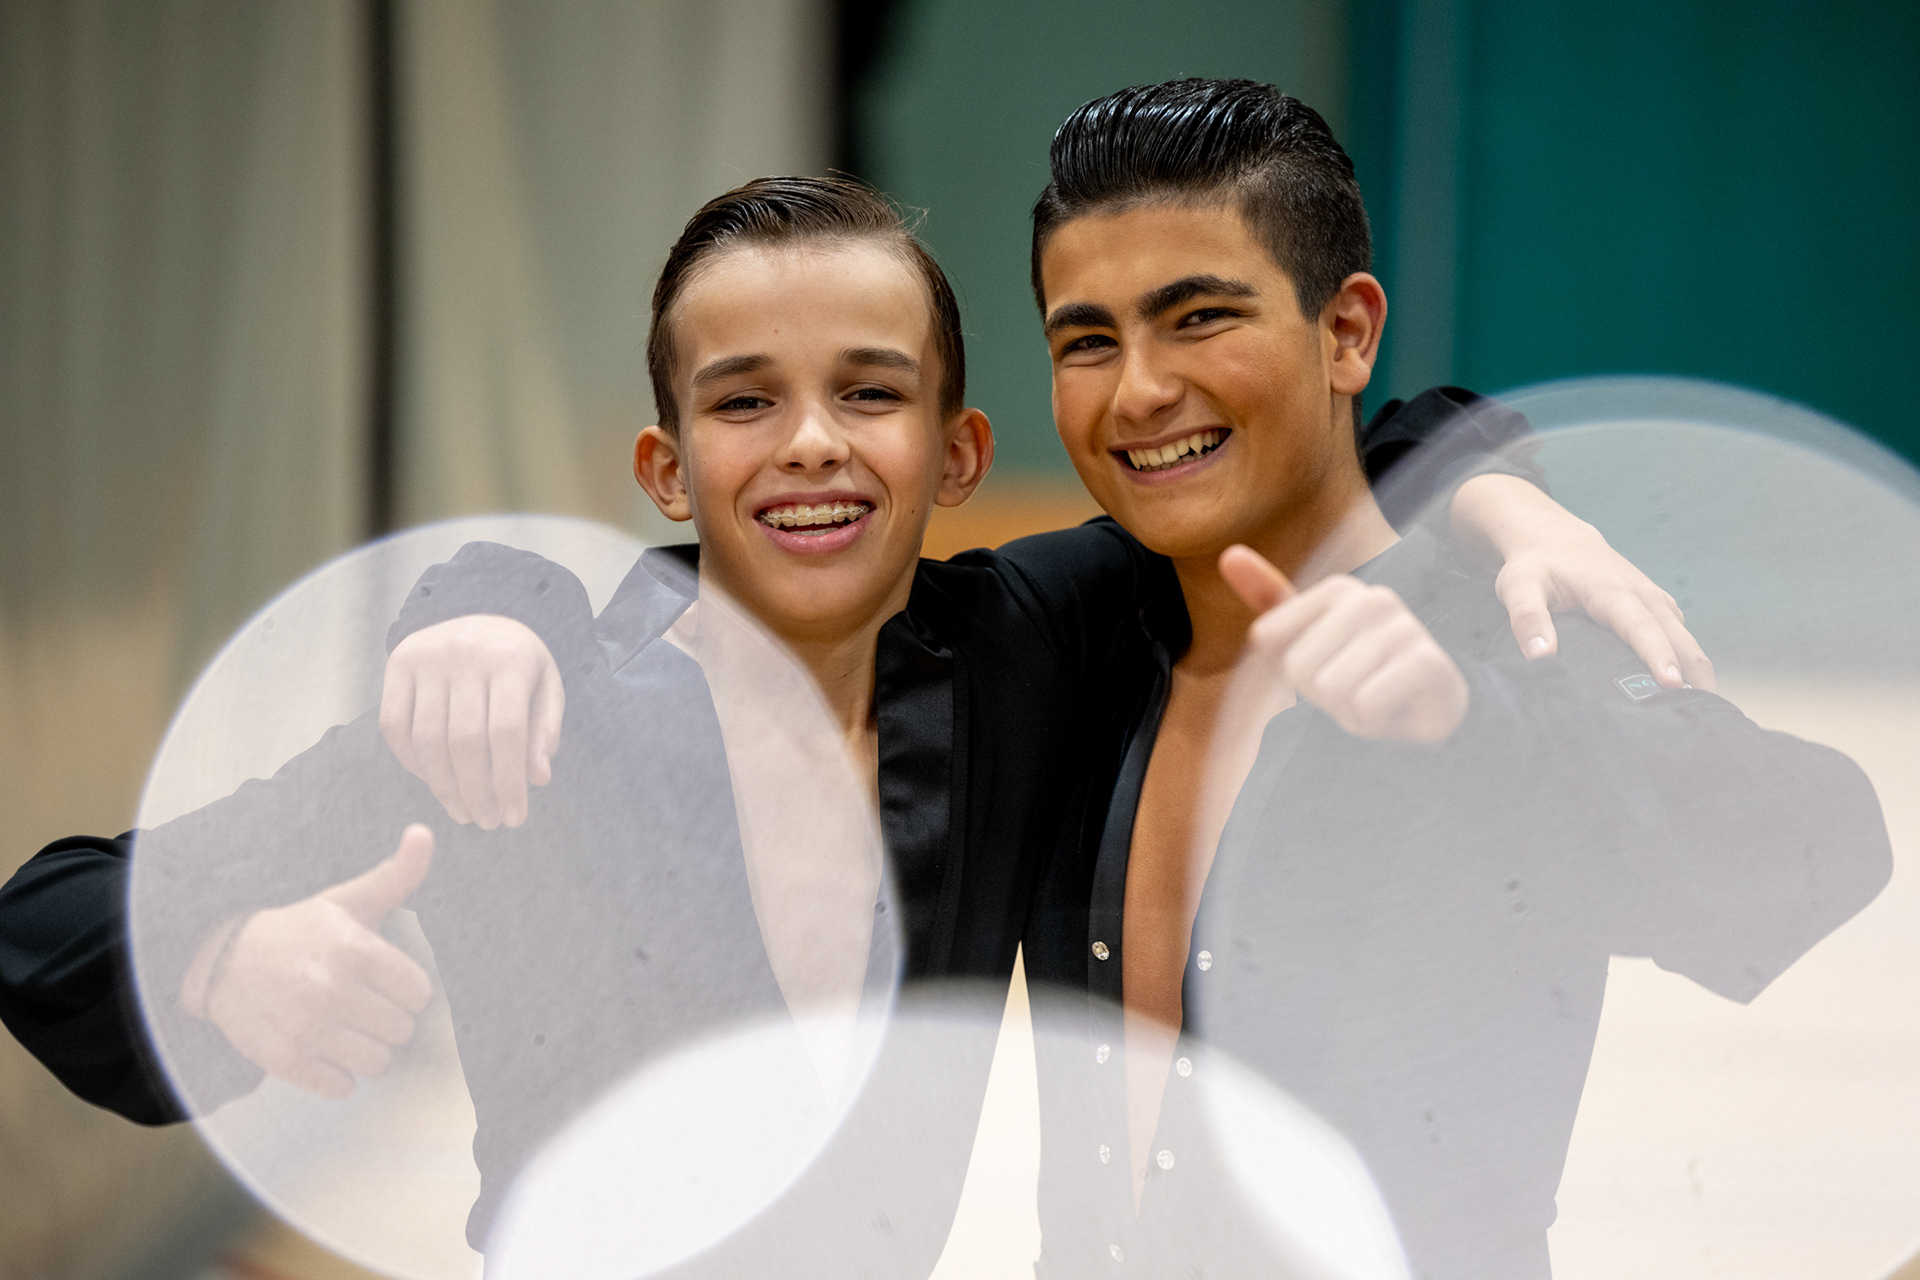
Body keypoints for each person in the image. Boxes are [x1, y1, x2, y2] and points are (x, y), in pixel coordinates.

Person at [4, 170, 1706, 1270]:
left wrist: (1494, 494)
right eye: (746, 400)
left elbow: (1290, 462)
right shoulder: (516, 717)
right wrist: (215, 961)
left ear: (957, 456)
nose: (812, 440)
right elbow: (46, 914)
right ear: (669, 468)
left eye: (868, 393)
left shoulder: (1027, 648)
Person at [1008, 79, 1892, 1278]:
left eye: (1200, 318)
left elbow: (1821, 846)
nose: (1139, 389)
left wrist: (1463, 727)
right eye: (1087, 341)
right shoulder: (1071, 635)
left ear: (1347, 332)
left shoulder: (1507, 625)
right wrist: (1482, 476)